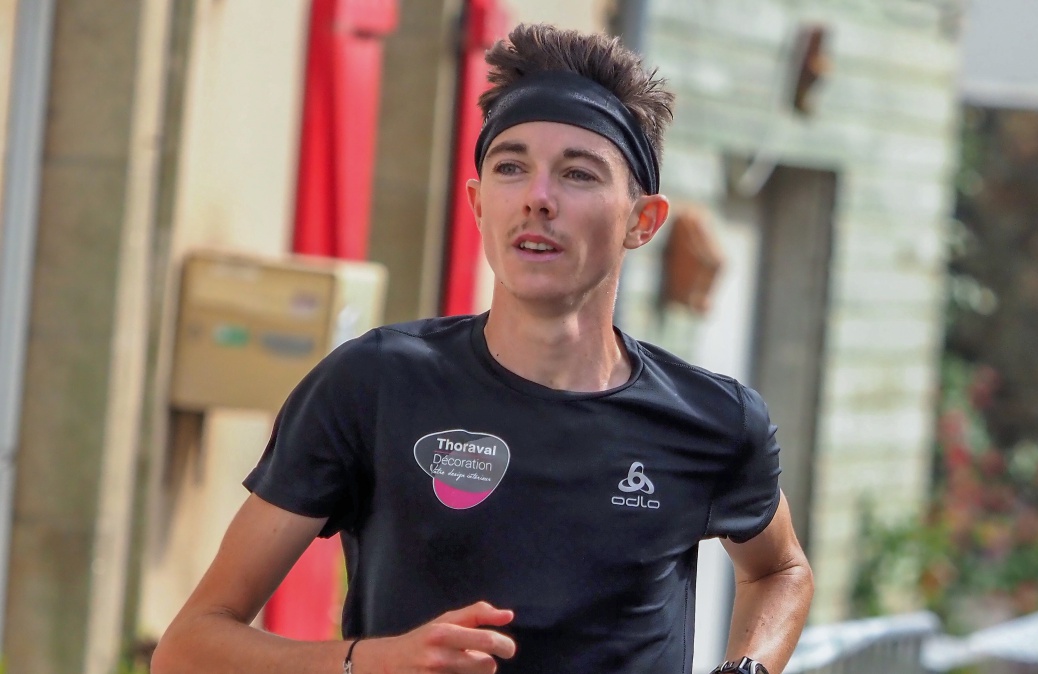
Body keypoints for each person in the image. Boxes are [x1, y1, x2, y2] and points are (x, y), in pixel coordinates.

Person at [152, 23, 813, 674]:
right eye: (510, 167)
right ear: (476, 203)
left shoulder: (715, 420)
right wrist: (371, 663)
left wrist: (747, 670)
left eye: (578, 174)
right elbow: (189, 649)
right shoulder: (375, 384)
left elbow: (780, 571)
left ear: (641, 221)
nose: (538, 199)